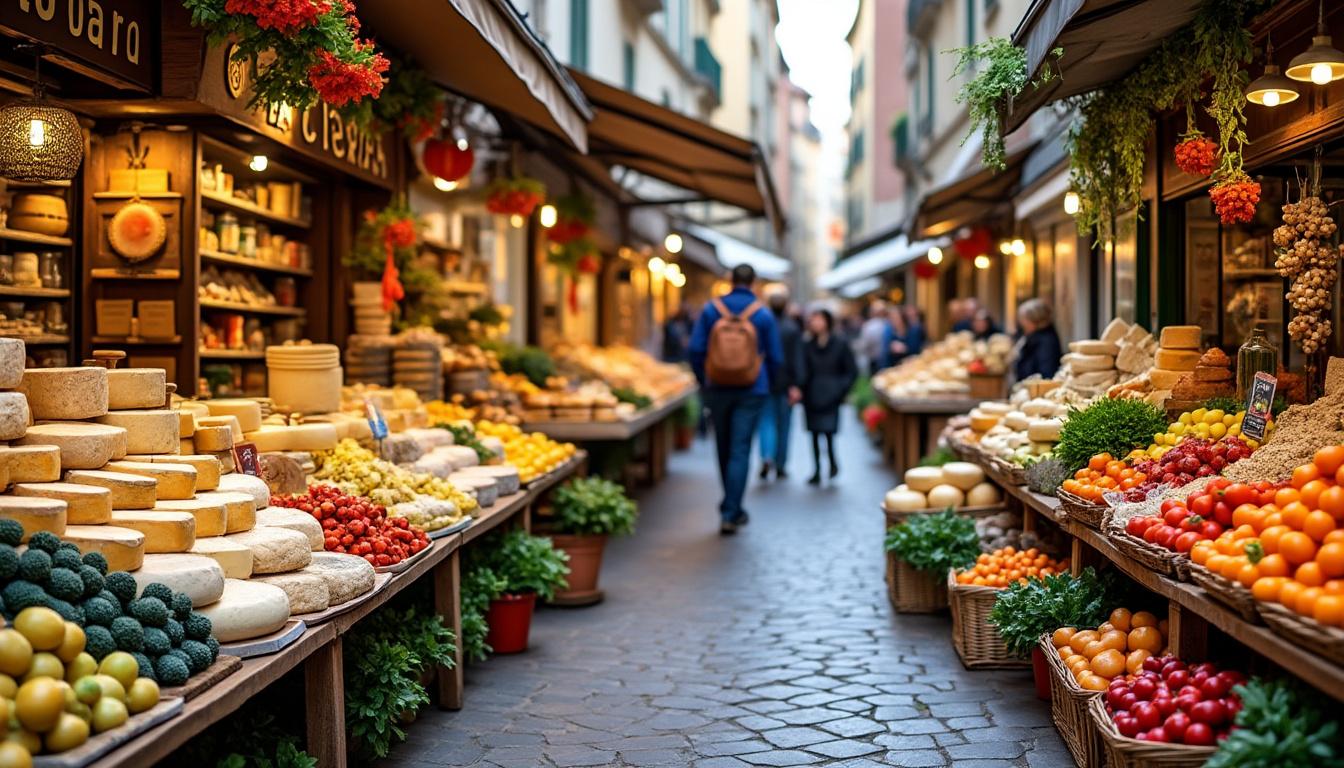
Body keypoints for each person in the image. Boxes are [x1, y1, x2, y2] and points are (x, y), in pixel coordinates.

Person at [689, 265, 783, 534]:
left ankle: (730, 505)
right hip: (751, 389)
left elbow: (695, 349)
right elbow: (776, 357)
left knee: (723, 446)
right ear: (753, 282)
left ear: (730, 280)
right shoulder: (762, 313)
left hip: (717, 387)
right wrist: (766, 382)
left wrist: (704, 379)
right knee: (740, 449)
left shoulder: (711, 310)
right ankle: (732, 511)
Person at [799, 308, 858, 485]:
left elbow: (851, 370)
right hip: (812, 394)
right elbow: (801, 369)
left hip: (832, 395)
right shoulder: (807, 344)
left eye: (819, 319)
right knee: (814, 433)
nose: (816, 323)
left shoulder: (839, 343)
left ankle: (832, 463)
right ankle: (817, 469)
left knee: (829, 431)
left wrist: (841, 388)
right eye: (813, 320)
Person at [757, 290, 803, 480]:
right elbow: (797, 358)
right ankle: (780, 463)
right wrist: (796, 384)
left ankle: (766, 455)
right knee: (784, 425)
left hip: (764, 382)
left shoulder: (762, 325)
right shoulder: (791, 328)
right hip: (785, 384)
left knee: (765, 422)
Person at [1013, 298, 1064, 381]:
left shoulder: (1046, 341)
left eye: (1024, 319)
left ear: (1035, 320)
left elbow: (1046, 374)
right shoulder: (1032, 336)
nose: (1022, 323)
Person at [858, 300, 890, 376]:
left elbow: (864, 344)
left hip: (875, 359)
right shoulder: (888, 323)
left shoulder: (869, 326)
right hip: (886, 358)